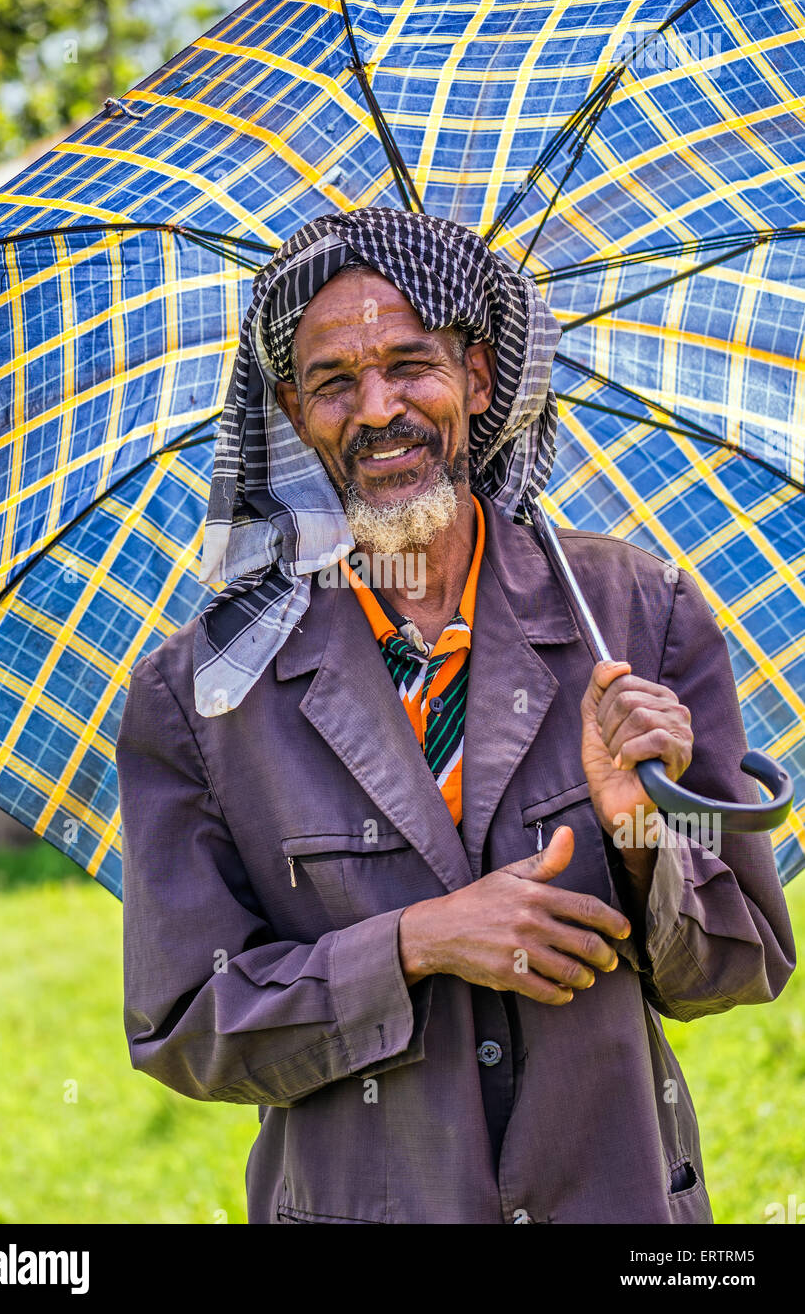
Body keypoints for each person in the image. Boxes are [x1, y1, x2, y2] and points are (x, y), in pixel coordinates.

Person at [117, 208, 794, 1225]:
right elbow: (186, 1022)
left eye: (410, 363)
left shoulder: (638, 615)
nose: (378, 407)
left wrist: (646, 833)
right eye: (335, 381)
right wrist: (417, 943)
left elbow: (740, 962)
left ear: (479, 380)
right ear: (297, 414)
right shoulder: (206, 691)